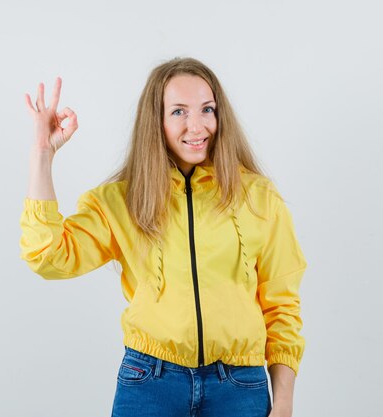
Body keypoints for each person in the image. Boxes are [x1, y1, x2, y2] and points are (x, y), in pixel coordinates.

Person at [19, 57, 307, 417]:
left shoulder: (259, 198)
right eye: (179, 112)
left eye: (207, 109)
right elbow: (48, 256)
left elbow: (281, 308)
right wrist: (42, 154)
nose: (197, 125)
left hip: (239, 387)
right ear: (155, 120)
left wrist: (283, 404)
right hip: (150, 383)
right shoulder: (122, 201)